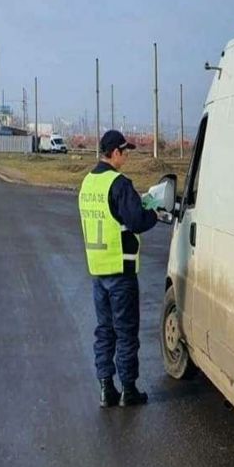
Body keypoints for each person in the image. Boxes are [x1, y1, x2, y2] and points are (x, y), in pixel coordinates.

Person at [78, 130, 159, 407]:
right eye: (125, 151)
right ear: (114, 153)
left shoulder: (87, 183)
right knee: (126, 332)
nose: (126, 156)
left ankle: (105, 388)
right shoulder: (119, 184)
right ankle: (128, 390)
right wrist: (154, 214)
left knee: (104, 331)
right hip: (121, 271)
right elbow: (136, 221)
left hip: (98, 272)